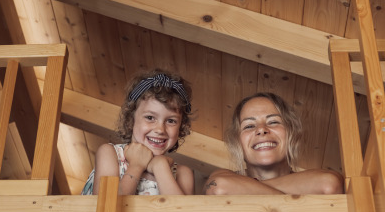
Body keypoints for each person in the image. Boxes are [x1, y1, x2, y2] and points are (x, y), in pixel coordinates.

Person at [204, 92, 344, 195]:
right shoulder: (224, 175)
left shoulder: (317, 178)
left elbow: (329, 183)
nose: (261, 129)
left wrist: (242, 189)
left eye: (273, 122)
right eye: (249, 126)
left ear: (291, 132)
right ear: (237, 142)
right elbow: (218, 187)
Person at [81, 69, 195, 195]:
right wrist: (136, 166)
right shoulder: (110, 154)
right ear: (131, 119)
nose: (160, 129)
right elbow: (106, 209)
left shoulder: (182, 173)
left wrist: (160, 166)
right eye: (150, 118)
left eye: (171, 121)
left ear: (181, 127)